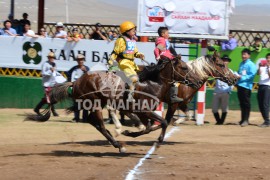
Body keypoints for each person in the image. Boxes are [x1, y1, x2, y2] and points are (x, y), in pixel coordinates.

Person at [109, 21, 144, 102]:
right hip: (124, 63)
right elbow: (115, 52)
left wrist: (139, 55)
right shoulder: (121, 40)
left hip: (132, 63)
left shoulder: (132, 40)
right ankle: (129, 97)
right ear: (126, 31)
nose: (135, 31)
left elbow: (135, 52)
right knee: (134, 79)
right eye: (133, 30)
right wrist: (110, 61)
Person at [153, 26, 183, 103]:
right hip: (165, 61)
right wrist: (158, 56)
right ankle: (173, 95)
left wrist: (175, 56)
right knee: (176, 75)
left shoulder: (165, 41)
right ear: (163, 34)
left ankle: (173, 94)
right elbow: (157, 49)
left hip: (168, 60)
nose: (169, 34)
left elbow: (167, 52)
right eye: (167, 33)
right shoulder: (161, 40)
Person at [34, 52, 65, 116]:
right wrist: (50, 71)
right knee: (49, 99)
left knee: (52, 98)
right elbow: (43, 73)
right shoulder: (45, 64)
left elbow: (55, 72)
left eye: (53, 57)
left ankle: (37, 108)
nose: (51, 58)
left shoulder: (54, 64)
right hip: (47, 84)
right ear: (48, 58)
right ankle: (52, 111)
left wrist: (60, 75)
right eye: (50, 57)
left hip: (53, 84)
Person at [236, 48, 257, 127]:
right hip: (240, 85)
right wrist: (237, 74)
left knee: (246, 104)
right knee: (241, 103)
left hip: (246, 87)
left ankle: (246, 120)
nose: (243, 56)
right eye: (242, 54)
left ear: (249, 55)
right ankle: (242, 119)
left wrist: (241, 77)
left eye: (245, 54)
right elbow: (239, 72)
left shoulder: (251, 64)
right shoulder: (241, 63)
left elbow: (252, 75)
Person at [67, 54, 89, 122]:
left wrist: (85, 71)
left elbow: (91, 77)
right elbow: (68, 74)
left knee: (86, 104)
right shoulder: (74, 69)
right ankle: (76, 118)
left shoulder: (87, 68)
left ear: (84, 60)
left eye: (82, 59)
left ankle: (85, 119)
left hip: (85, 90)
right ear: (77, 61)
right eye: (79, 60)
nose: (80, 61)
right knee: (77, 104)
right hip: (76, 89)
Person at [212, 55, 233, 125]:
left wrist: (229, 90)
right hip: (217, 91)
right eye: (223, 60)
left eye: (226, 60)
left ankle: (221, 122)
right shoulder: (218, 71)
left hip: (225, 92)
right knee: (214, 109)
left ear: (228, 62)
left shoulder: (230, 71)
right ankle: (219, 121)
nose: (225, 62)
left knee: (224, 109)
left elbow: (233, 81)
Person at [257, 53, 270, 127]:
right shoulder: (263, 67)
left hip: (267, 86)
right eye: (267, 58)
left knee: (265, 104)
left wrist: (268, 68)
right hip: (261, 86)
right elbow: (258, 73)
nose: (268, 59)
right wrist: (259, 67)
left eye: (269, 58)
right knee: (260, 104)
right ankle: (266, 119)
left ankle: (267, 121)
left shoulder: (268, 67)